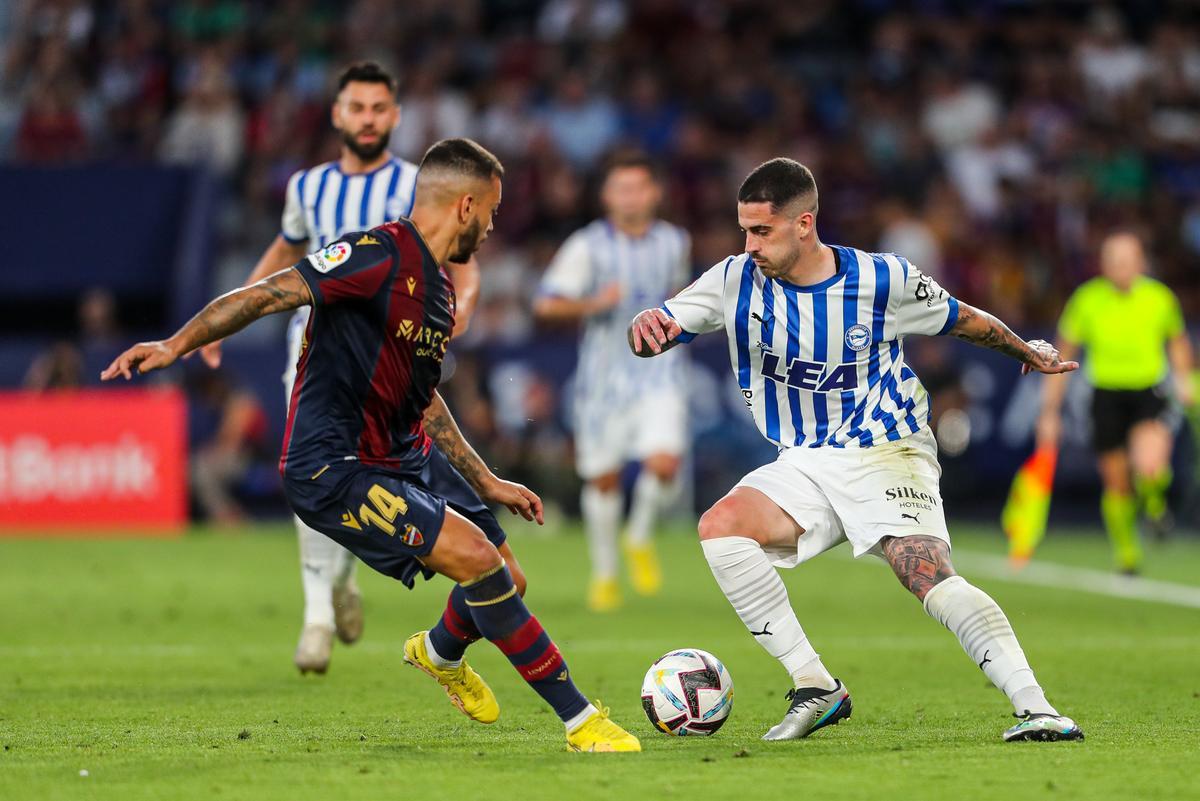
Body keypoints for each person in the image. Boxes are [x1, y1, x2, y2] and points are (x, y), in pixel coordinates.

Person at [102, 138, 640, 753]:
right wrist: (177, 344)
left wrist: (486, 480)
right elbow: (266, 294)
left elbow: (424, 400)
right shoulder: (373, 253)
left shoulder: (437, 295)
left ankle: (438, 653)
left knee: (507, 577)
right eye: (490, 213)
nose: (491, 229)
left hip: (400, 454)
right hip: (333, 467)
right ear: (465, 206)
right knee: (478, 561)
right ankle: (579, 721)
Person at [628, 158, 1084, 743]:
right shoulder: (733, 280)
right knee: (722, 525)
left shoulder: (881, 279)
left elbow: (963, 319)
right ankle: (817, 686)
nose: (749, 245)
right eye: (744, 230)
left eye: (761, 231)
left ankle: (1037, 707)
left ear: (804, 224)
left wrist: (1028, 352)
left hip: (886, 448)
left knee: (923, 572)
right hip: (805, 458)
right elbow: (660, 327)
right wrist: (647, 328)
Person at [198, 62, 481, 675]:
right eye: (358, 107)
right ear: (337, 114)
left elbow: (464, 254)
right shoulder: (308, 187)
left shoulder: (418, 183)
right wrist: (228, 320)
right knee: (312, 470)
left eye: (380, 108)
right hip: (315, 355)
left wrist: (463, 311)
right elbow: (286, 251)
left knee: (370, 474)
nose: (369, 118)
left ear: (395, 116)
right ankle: (317, 615)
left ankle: (343, 573)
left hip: (393, 360)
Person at [534, 152, 691, 611]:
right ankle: (605, 574)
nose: (630, 197)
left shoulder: (674, 242)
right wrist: (594, 304)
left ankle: (639, 535)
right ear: (606, 196)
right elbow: (546, 304)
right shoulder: (588, 246)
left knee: (664, 464)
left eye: (638, 187)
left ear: (654, 193)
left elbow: (680, 295)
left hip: (660, 374)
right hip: (603, 384)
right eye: (621, 188)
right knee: (602, 481)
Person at [1035, 232, 1193, 572]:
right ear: (1103, 263)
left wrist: (1184, 380)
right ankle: (1127, 555)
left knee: (1150, 464)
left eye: (1127, 258)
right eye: (1113, 259)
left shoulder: (1159, 298)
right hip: (1105, 395)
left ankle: (1154, 508)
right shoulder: (1087, 300)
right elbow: (1062, 353)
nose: (1120, 266)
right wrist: (1049, 411)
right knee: (1117, 481)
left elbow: (1178, 342)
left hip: (1148, 391)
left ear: (1141, 262)